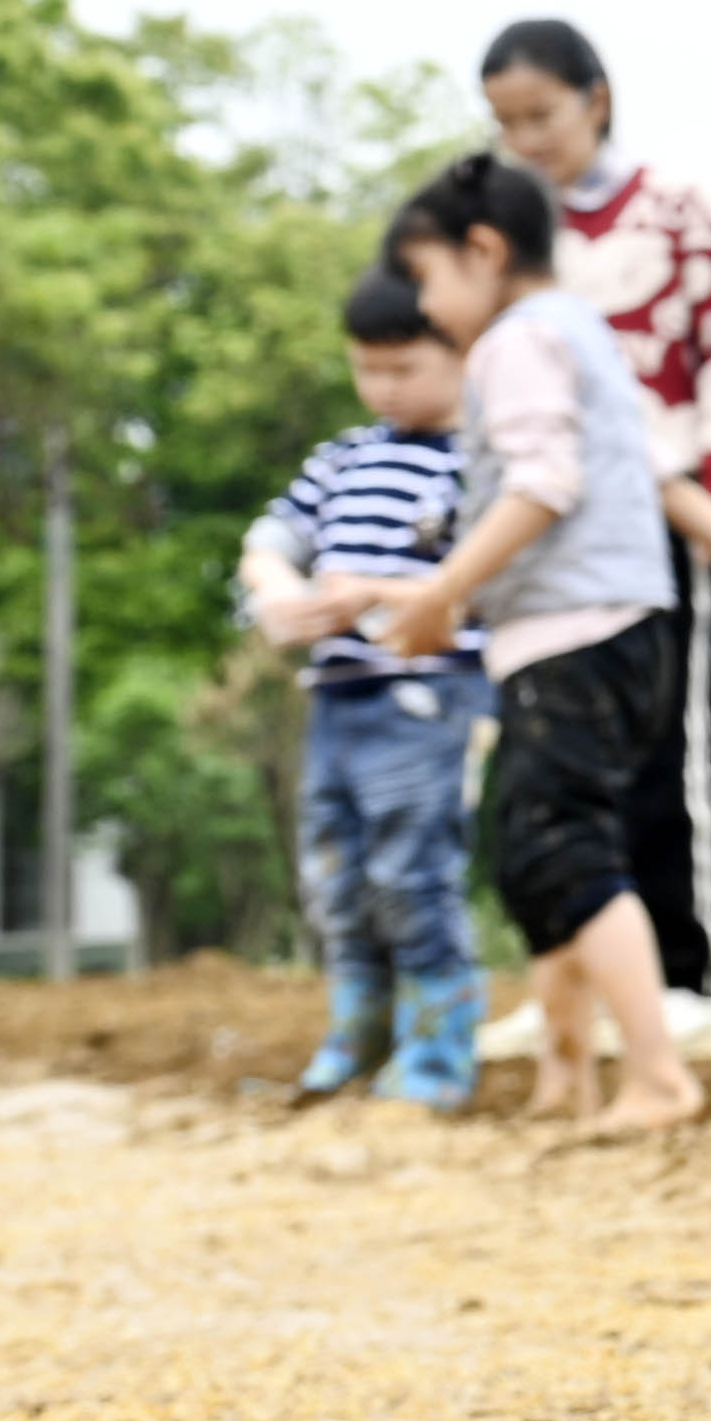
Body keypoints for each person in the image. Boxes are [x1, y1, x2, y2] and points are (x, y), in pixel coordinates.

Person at [365, 154, 711, 1135]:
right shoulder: (587, 334)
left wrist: (445, 591)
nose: (431, 307)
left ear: (482, 252)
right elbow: (655, 473)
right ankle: (568, 1074)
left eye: (429, 278)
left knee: (557, 845)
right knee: (542, 848)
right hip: (628, 624)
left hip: (568, 634)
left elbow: (544, 479)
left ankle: (655, 1074)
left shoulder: (515, 342)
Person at [471, 18, 711, 1068]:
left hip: (667, 518)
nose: (528, 138)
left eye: (542, 115)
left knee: (667, 760)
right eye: (507, 123)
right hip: (550, 542)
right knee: (550, 770)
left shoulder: (676, 216)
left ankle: (689, 976)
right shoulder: (505, 231)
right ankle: (570, 981)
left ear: (597, 98)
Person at [236, 266, 490, 1112]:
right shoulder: (345, 458)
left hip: (430, 698)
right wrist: (277, 591)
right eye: (366, 369)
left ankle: (437, 1054)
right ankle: (357, 1036)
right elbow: (273, 537)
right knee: (337, 879)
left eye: (403, 369)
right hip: (338, 700)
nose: (382, 388)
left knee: (412, 872)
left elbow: (489, 584)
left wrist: (375, 597)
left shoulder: (480, 466)